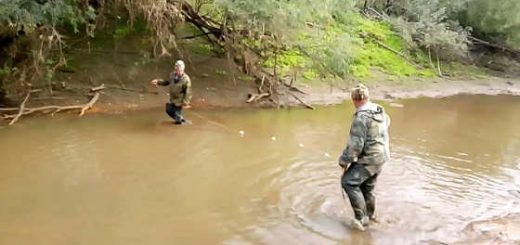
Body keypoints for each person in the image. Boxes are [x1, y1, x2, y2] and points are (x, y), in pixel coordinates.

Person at [338, 83, 391, 231]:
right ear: (367, 97)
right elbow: (387, 123)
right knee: (367, 188)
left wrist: (343, 161)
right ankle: (371, 215)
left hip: (370, 158)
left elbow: (355, 145)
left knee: (348, 182)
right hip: (382, 156)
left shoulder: (361, 117)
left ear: (354, 99)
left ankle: (361, 220)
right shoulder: (379, 110)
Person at [151, 60, 192, 124]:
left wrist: (186, 103)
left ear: (182, 70)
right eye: (176, 69)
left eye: (179, 70)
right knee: (168, 110)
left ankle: (180, 121)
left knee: (176, 114)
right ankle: (181, 120)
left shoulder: (186, 79)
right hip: (172, 98)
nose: (177, 71)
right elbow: (166, 82)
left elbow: (188, 92)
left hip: (179, 100)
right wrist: (158, 82)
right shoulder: (172, 75)